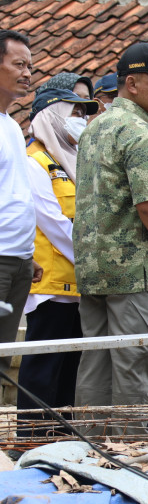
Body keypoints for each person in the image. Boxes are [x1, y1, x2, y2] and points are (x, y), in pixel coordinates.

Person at [73, 42, 148, 414]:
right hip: (135, 271)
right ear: (132, 83)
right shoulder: (140, 132)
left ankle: (87, 457)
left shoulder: (95, 128)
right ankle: (126, 455)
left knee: (95, 367)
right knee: (134, 371)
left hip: (95, 268)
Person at [18, 88, 98, 422]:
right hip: (50, 288)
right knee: (42, 373)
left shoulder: (76, 161)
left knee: (69, 376)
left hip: (79, 287)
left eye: (84, 113)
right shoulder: (34, 161)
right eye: (74, 112)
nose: (81, 120)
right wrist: (93, 260)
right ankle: (30, 442)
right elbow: (54, 223)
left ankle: (60, 446)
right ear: (51, 115)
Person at [0, 29, 42, 385]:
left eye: (30, 65)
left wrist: (28, 254)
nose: (28, 73)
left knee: (1, 360)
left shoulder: (12, 126)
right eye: (19, 64)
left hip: (18, 260)